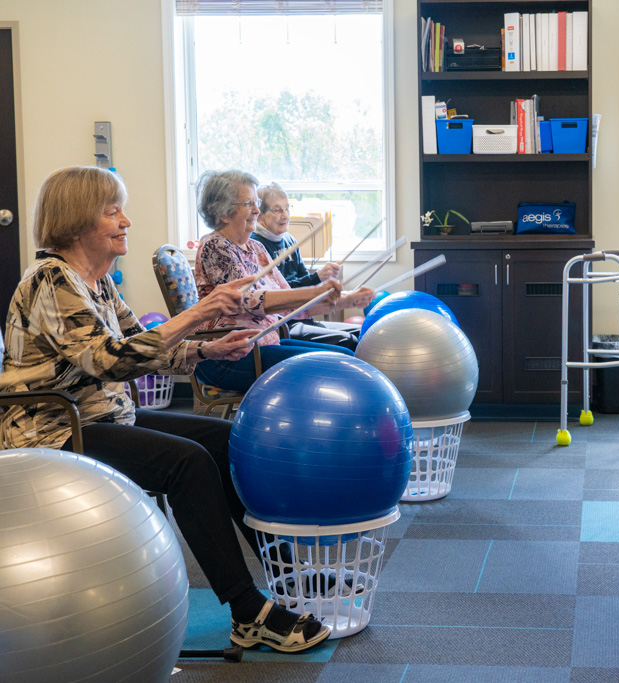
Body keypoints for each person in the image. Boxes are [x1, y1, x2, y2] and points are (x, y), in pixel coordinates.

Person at [0, 165, 330, 653]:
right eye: (113, 212)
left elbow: (142, 346)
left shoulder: (96, 281)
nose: (126, 221)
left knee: (224, 440)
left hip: (100, 415)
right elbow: (110, 360)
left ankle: (286, 574)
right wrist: (199, 314)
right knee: (187, 463)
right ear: (77, 221)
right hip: (52, 429)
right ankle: (248, 612)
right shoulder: (51, 280)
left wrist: (207, 350)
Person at [193, 170, 374, 392]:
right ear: (223, 213)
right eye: (249, 203)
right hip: (229, 356)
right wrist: (318, 292)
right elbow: (248, 301)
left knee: (345, 355)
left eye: (257, 203)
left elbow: (291, 307)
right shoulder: (215, 246)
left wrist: (347, 299)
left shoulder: (256, 248)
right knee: (340, 364)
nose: (257, 210)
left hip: (262, 346)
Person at [250, 182, 359, 349]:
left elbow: (304, 282)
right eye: (277, 210)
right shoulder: (256, 246)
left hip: (304, 316)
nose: (285, 215)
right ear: (260, 215)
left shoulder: (289, 240)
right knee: (348, 341)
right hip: (284, 323)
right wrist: (316, 277)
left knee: (360, 332)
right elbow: (275, 294)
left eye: (287, 208)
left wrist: (324, 282)